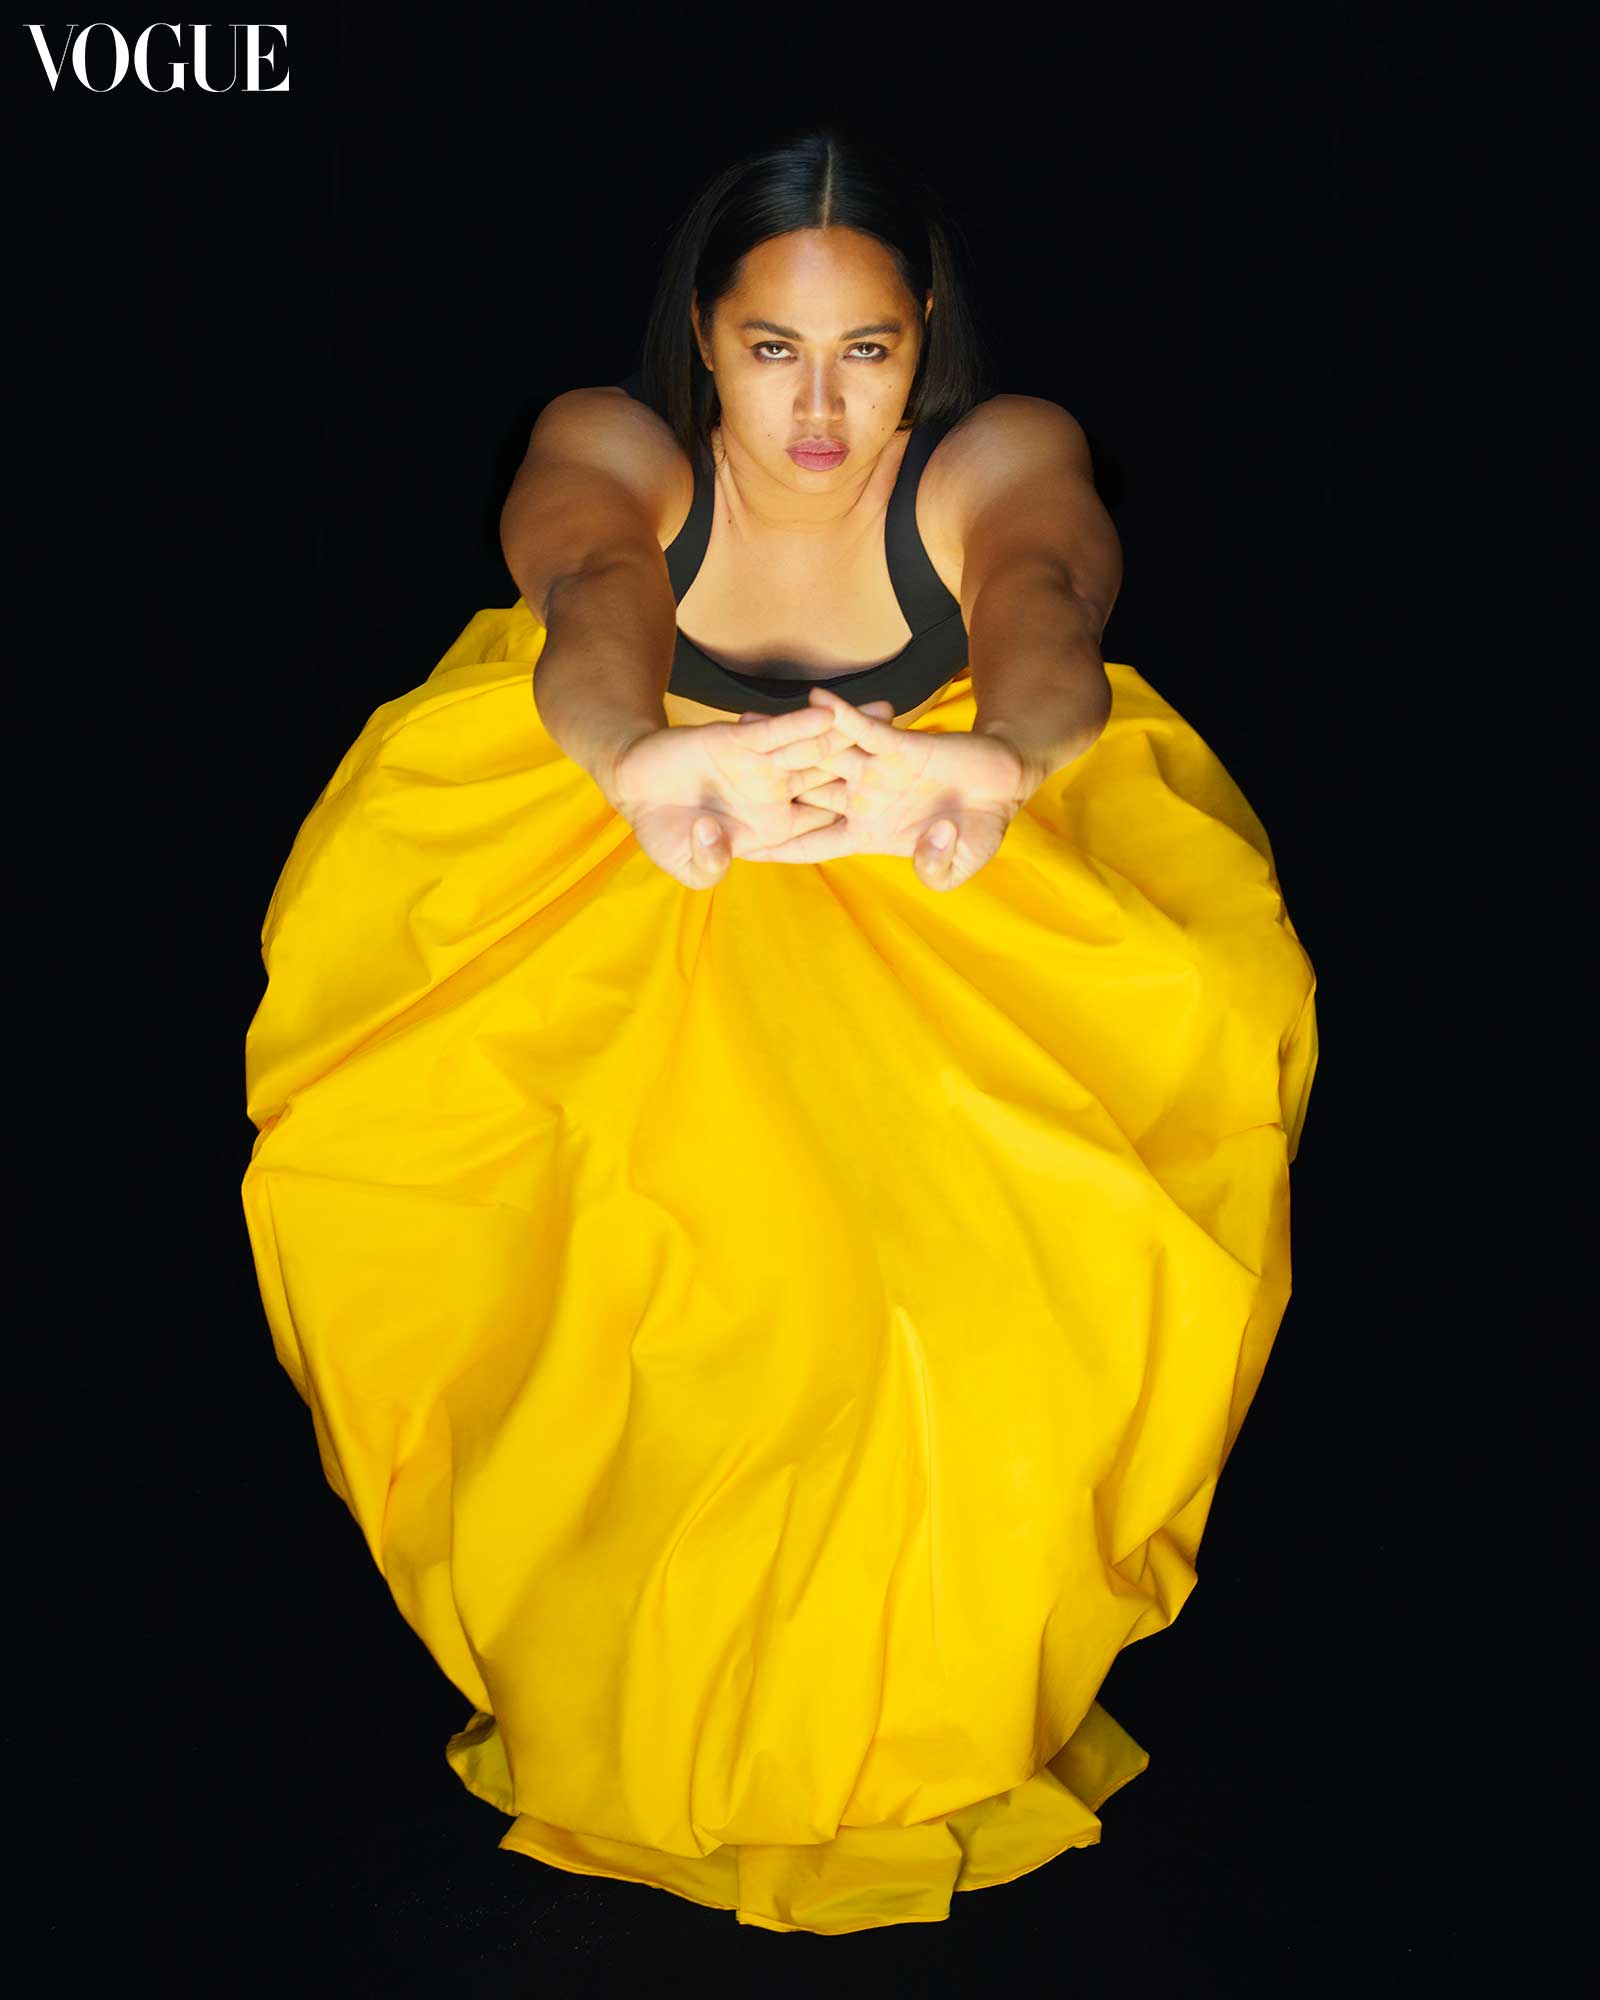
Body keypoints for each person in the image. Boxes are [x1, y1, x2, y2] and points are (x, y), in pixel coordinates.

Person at [241, 126, 1319, 1937]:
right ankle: (642, 1744)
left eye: (866, 350)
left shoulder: (999, 455)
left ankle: (904, 1748)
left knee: (975, 1354)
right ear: (703, 334)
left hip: (942, 926)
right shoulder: (616, 443)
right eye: (772, 349)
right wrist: (641, 758)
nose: (819, 407)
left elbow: (1046, 606)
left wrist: (991, 763)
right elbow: (590, 594)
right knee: (622, 1354)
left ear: (924, 336)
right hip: (628, 915)